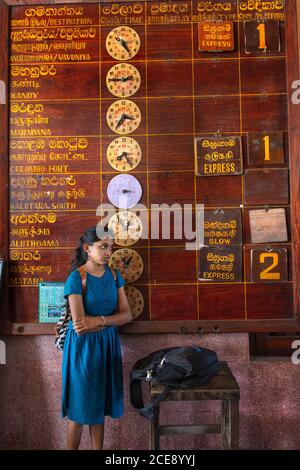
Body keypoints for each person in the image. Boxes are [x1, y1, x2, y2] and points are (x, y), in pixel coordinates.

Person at [61, 225, 131, 450]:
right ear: (87, 248)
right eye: (103, 247)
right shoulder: (76, 278)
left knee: (98, 408)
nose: (108, 252)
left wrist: (99, 321)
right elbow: (80, 325)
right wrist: (109, 320)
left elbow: (127, 315)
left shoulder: (113, 275)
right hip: (83, 349)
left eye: (110, 247)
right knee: (80, 410)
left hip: (107, 345)